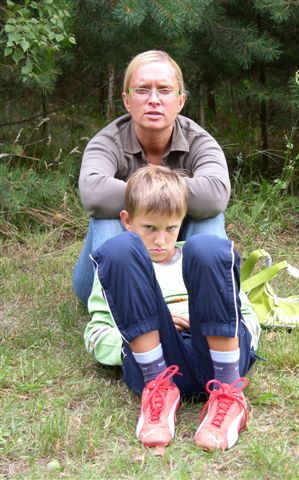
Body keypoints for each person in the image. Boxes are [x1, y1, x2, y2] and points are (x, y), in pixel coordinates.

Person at [84, 165, 261, 451]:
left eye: (171, 228)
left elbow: (248, 318)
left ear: (181, 222)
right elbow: (96, 333)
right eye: (149, 228)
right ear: (127, 221)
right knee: (117, 251)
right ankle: (158, 392)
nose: (161, 239)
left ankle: (228, 396)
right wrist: (139, 337)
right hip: (158, 359)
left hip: (219, 353)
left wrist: (212, 325)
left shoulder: (196, 260)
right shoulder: (120, 270)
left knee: (207, 248)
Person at [72, 50, 231, 305]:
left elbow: (215, 196)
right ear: (126, 100)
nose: (154, 100)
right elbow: (94, 193)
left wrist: (143, 194)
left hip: (179, 264)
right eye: (143, 90)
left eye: (165, 90)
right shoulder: (106, 141)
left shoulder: (200, 141)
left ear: (180, 101)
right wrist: (163, 192)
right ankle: (125, 305)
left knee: (210, 219)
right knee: (106, 218)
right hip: (109, 274)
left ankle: (210, 301)